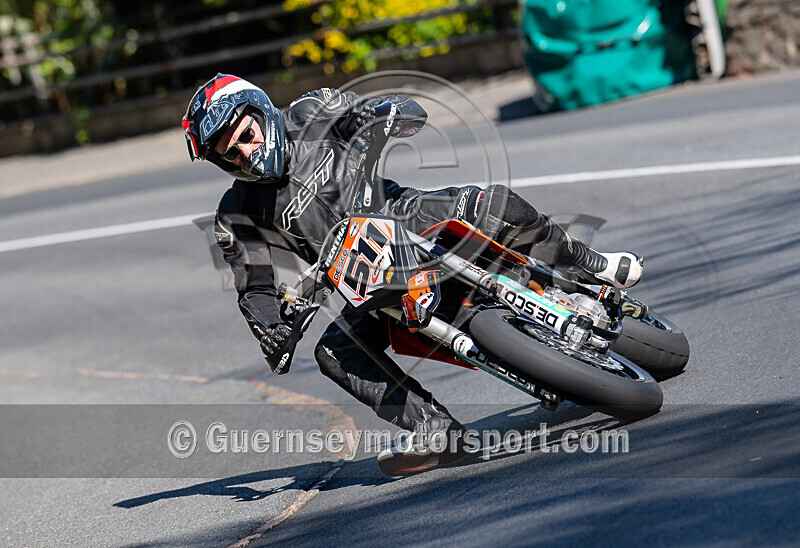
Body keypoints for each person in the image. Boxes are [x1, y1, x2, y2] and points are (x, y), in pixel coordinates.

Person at [182, 74, 643, 476]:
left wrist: (388, 115)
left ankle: (589, 264)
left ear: (261, 110)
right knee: (334, 353)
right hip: (361, 278)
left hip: (406, 214)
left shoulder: (312, 111)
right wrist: (273, 331)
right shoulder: (236, 212)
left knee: (492, 203)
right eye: (231, 153)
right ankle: (436, 430)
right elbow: (254, 287)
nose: (247, 152)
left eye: (247, 134)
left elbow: (386, 112)